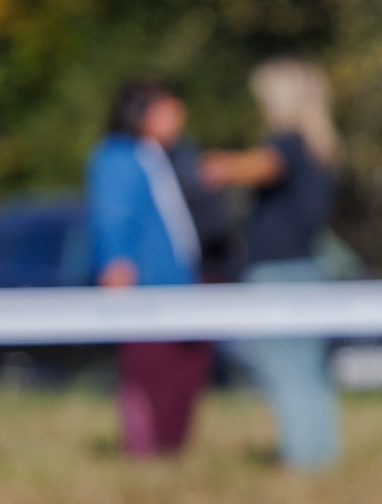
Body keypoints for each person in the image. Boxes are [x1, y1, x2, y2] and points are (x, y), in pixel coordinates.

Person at [200, 58, 342, 469]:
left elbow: (261, 165)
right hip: (307, 270)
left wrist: (218, 166)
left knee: (284, 370)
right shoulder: (320, 148)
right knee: (308, 369)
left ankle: (301, 459)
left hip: (279, 275)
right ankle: (319, 456)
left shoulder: (289, 144)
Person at [88, 76, 213, 457]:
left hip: (181, 282)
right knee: (147, 377)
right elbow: (113, 216)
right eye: (168, 108)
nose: (180, 115)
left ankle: (171, 451)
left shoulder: (166, 155)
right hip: (147, 288)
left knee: (186, 371)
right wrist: (116, 266)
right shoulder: (117, 156)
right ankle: (145, 454)